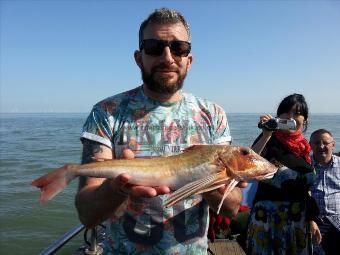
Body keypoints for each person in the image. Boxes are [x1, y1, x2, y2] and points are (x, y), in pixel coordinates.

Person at [75, 8, 244, 254]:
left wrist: (207, 181)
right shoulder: (107, 112)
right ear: (138, 57)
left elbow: (231, 208)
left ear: (189, 59)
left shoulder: (213, 115)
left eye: (179, 48)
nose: (167, 57)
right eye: (154, 47)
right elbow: (87, 214)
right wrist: (115, 188)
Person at [246, 93, 321, 254]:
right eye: (286, 112)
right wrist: (266, 133)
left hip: (298, 220)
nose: (291, 117)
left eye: (297, 113)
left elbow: (305, 188)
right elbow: (247, 163)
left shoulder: (304, 148)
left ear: (305, 120)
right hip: (268, 218)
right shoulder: (269, 138)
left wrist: (311, 219)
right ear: (278, 116)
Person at [310, 129, 340, 255]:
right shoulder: (304, 165)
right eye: (316, 143)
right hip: (313, 223)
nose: (321, 146)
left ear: (333, 145)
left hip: (337, 222)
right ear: (310, 145)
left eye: (325, 143)